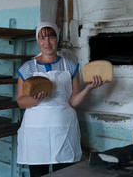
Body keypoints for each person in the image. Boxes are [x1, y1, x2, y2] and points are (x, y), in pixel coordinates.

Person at [16, 22, 106, 177]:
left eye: (51, 37)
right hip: (36, 132)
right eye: (42, 38)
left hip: (63, 130)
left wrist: (88, 89)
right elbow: (20, 101)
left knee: (64, 173)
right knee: (38, 174)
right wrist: (36, 100)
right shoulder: (28, 68)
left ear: (57, 39)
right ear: (37, 40)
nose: (47, 42)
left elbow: (73, 101)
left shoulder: (70, 66)